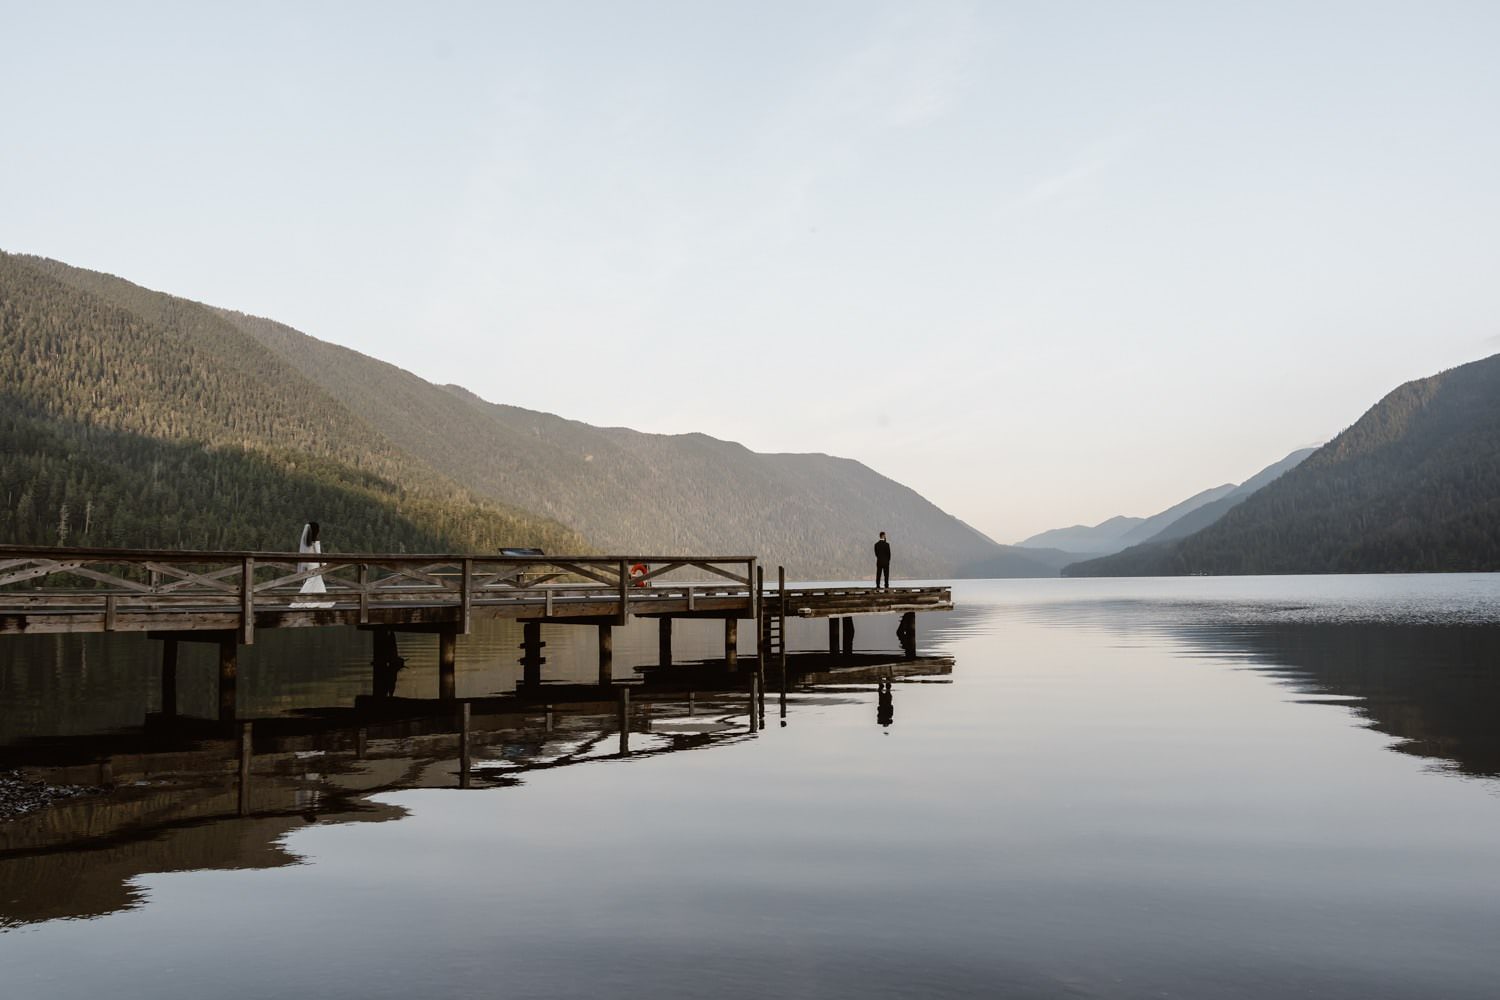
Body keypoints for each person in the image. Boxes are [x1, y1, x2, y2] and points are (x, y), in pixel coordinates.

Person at [291, 521, 333, 608]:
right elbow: (318, 554)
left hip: (308, 564)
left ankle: (320, 599)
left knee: (315, 582)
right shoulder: (316, 540)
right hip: (315, 564)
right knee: (311, 582)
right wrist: (324, 563)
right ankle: (301, 600)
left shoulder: (306, 541)